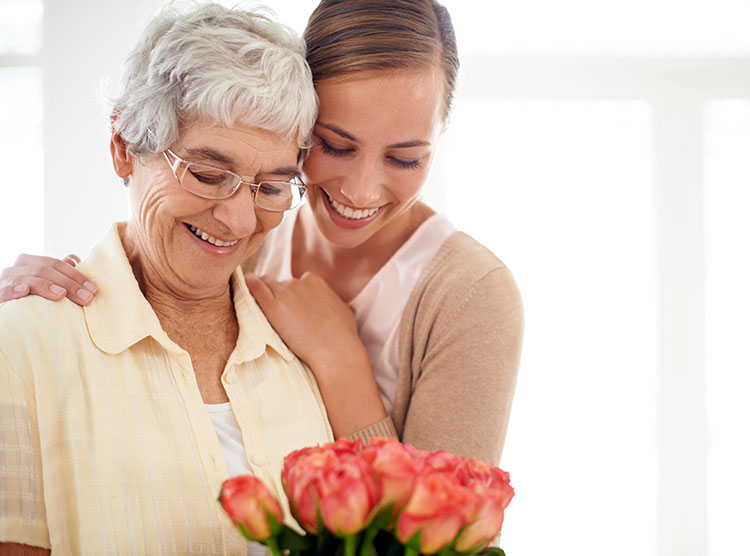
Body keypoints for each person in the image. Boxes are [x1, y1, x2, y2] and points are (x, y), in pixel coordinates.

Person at [0, 0, 524, 467]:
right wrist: (48, 293)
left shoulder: (469, 294)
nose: (363, 191)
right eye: (335, 146)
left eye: (405, 157)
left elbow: (454, 546)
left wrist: (342, 366)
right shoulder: (246, 238)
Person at [0, 4, 333, 556]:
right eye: (207, 174)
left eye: (272, 186)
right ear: (124, 146)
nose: (240, 220)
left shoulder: (302, 347)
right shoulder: (23, 345)